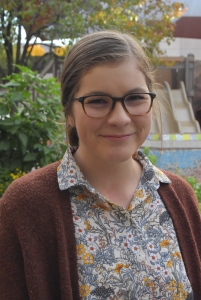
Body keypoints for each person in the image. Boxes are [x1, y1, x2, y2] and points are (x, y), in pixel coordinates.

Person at [0, 30, 201, 300]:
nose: (120, 118)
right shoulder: (26, 205)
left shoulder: (179, 195)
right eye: (97, 101)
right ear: (69, 112)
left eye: (135, 98)